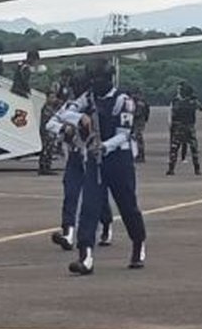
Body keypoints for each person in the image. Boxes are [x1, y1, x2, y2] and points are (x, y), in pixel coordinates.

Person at [61, 63, 146, 275]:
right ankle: (85, 256)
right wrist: (80, 118)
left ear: (109, 79)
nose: (95, 84)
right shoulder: (88, 98)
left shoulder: (123, 101)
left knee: (128, 206)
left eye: (99, 79)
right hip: (94, 159)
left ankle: (138, 244)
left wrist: (105, 146)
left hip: (119, 160)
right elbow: (65, 113)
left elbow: (124, 134)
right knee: (89, 207)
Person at [46, 70, 114, 252]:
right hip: (75, 155)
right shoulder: (70, 106)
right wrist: (64, 129)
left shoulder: (98, 105)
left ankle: (106, 225)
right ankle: (68, 232)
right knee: (71, 193)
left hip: (93, 156)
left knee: (98, 197)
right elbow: (51, 123)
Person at [167, 82, 202, 175]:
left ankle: (171, 168)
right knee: (194, 149)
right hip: (189, 127)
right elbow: (201, 108)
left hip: (178, 127)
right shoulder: (193, 101)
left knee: (174, 148)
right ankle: (197, 169)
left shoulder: (176, 101)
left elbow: (173, 113)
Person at [131, 89, 150, 163]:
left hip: (138, 122)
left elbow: (137, 114)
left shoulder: (139, 103)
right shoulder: (143, 101)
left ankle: (140, 156)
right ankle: (139, 155)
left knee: (138, 139)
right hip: (140, 122)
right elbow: (147, 112)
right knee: (138, 139)